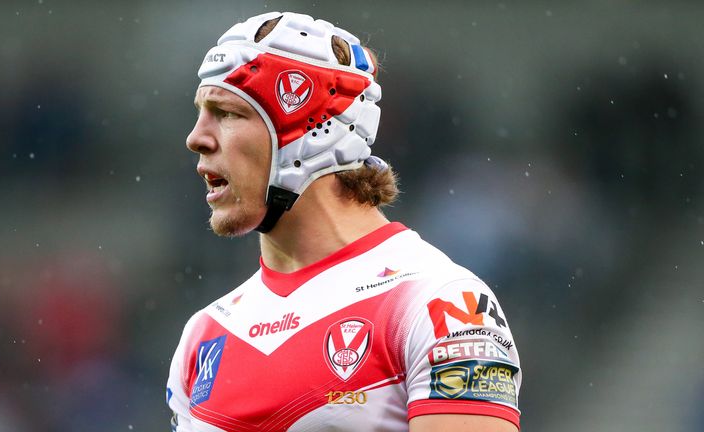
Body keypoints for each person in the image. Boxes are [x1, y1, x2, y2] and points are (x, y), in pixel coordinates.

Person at [166, 11, 521, 432]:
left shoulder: (446, 305)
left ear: (304, 134)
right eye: (201, 112)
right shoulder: (204, 335)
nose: (196, 137)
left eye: (226, 113)